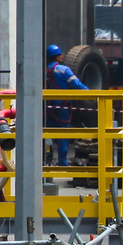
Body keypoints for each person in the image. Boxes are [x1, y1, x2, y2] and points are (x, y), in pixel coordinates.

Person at [44, 42, 90, 171]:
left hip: (47, 108)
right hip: (62, 108)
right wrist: (90, 94)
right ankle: (62, 161)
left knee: (46, 134)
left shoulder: (44, 70)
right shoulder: (63, 70)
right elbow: (76, 84)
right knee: (63, 135)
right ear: (57, 57)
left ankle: (47, 160)